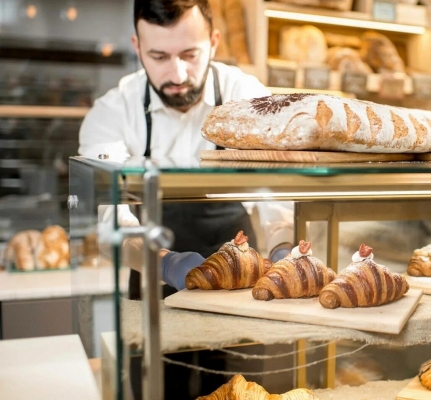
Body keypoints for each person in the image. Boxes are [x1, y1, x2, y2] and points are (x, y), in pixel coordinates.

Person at [78, 1, 293, 398]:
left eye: (190, 55)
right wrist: (168, 265)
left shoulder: (246, 96)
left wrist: (282, 247)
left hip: (240, 277)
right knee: (160, 388)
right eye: (158, 56)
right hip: (152, 272)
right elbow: (113, 220)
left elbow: (276, 190)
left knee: (239, 388)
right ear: (137, 46)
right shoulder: (112, 112)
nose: (177, 74)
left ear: (213, 41)